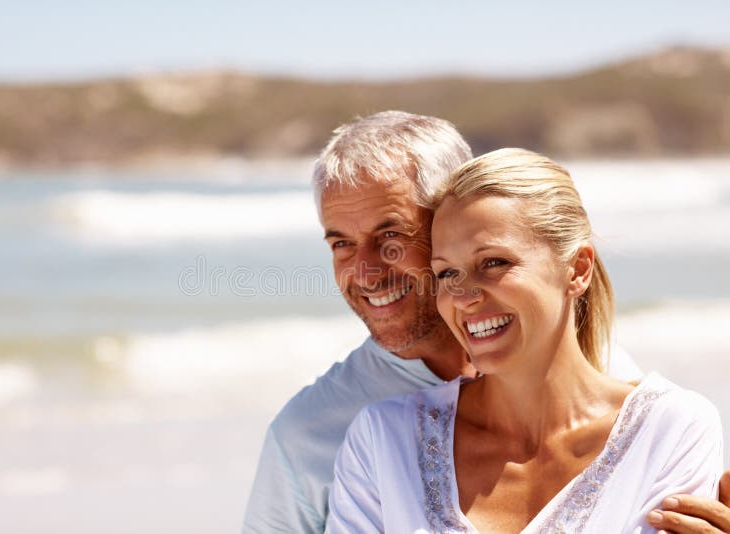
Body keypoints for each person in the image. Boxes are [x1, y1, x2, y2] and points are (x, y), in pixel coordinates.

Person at [242, 112, 644, 533]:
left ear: (451, 221)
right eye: (342, 244)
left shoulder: (608, 374)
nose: (365, 272)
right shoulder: (307, 435)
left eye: (391, 236)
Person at [326, 148, 725, 533]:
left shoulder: (671, 428)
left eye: (494, 263)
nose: (464, 296)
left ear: (577, 270)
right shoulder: (384, 441)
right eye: (447, 273)